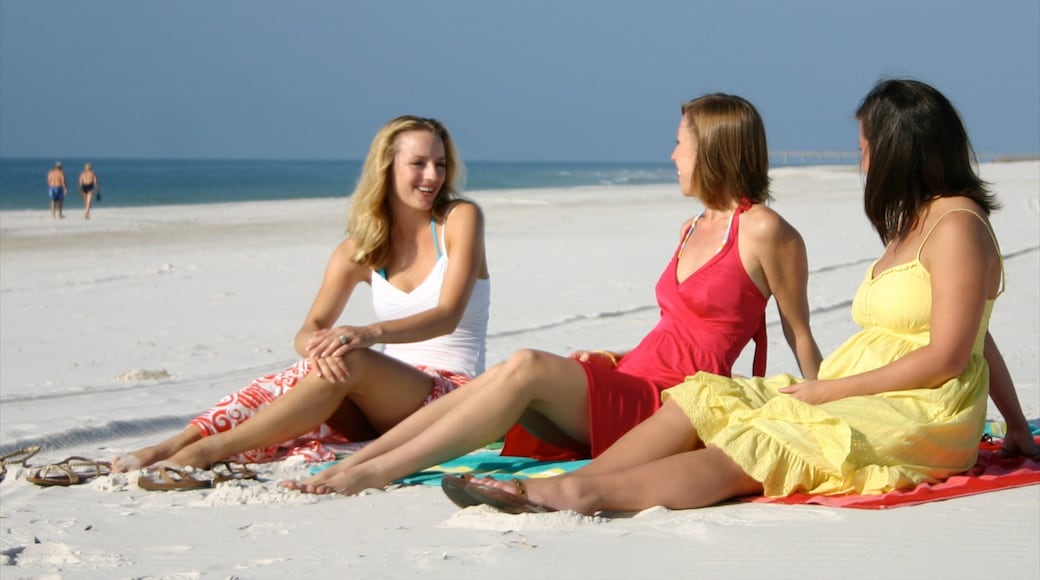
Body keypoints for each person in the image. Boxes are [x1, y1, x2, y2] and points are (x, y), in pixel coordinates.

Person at [445, 78, 1040, 515]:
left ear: (898, 148)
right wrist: (1017, 426)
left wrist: (828, 390)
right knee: (706, 395)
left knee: (763, 442)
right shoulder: (917, 223)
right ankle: (575, 480)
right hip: (866, 388)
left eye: (864, 146)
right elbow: (980, 335)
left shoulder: (956, 227)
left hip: (919, 410)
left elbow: (950, 356)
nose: (860, 159)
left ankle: (580, 494)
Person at [285, 93, 823, 495]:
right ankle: (360, 462)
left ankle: (377, 471)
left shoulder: (764, 230)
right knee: (502, 376)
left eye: (681, 142)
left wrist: (828, 401)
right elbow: (678, 330)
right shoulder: (691, 227)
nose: (672, 154)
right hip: (634, 379)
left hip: (668, 406)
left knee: (526, 365)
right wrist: (614, 356)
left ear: (713, 148)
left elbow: (798, 332)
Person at [111, 115, 491, 474]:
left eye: (440, 164)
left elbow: (448, 315)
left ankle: (208, 451)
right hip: (378, 406)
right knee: (317, 365)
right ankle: (172, 445)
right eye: (419, 164)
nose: (433, 176)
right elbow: (308, 330)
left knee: (351, 357)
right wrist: (321, 347)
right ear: (386, 168)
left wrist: (365, 334)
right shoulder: (359, 250)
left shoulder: (459, 219)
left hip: (449, 398)